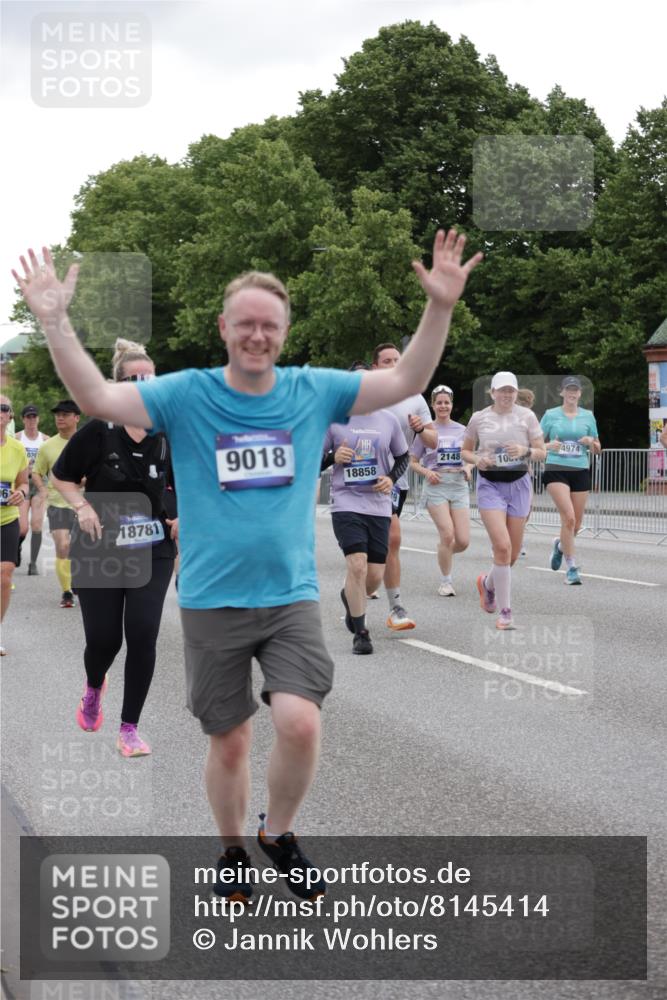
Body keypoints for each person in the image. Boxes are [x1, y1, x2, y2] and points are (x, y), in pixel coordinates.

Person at [13, 229, 482, 901]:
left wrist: (438, 307)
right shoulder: (188, 394)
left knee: (300, 720)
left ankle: (277, 832)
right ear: (224, 327)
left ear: (283, 331)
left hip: (287, 595)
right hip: (211, 599)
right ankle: (232, 849)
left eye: (270, 324)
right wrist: (55, 322)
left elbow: (404, 380)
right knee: (229, 741)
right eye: (246, 323)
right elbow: (98, 399)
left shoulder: (311, 391)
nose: (257, 334)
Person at [50, 340, 178, 757]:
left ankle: (129, 728)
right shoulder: (98, 430)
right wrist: (82, 506)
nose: (143, 385)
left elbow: (192, 482)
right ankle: (93, 687)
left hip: (153, 548)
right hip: (100, 547)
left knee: (143, 634)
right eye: (134, 379)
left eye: (149, 378)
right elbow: (62, 477)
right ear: (118, 384)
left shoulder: (169, 432)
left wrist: (184, 515)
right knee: (104, 641)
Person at [323, 362, 408, 655]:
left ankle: (351, 597)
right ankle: (361, 633)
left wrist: (390, 479)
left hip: (379, 505)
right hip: (346, 502)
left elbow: (403, 457)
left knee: (372, 576)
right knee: (356, 565)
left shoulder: (388, 420)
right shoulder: (334, 420)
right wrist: (334, 456)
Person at [461, 372, 545, 630]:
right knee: (503, 547)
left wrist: (525, 451)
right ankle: (506, 613)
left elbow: (542, 453)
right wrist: (477, 460)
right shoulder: (479, 418)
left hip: (519, 485)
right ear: (493, 392)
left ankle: (487, 584)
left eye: (511, 391)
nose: (506, 395)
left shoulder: (527, 417)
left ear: (516, 393)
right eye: (502, 390)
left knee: (512, 555)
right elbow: (464, 450)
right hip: (490, 486)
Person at [371, 342, 437, 630]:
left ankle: (396, 607)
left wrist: (421, 429)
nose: (394, 364)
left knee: (392, 539)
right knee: (367, 548)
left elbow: (434, 441)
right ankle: (358, 592)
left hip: (395, 477)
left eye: (397, 359)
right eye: (387, 361)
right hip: (363, 479)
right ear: (376, 366)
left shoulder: (414, 397)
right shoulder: (366, 395)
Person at [409, 385, 471, 596]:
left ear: (451, 405)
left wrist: (469, 467)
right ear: (432, 405)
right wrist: (426, 472)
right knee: (447, 534)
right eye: (439, 402)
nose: (443, 406)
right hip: (436, 486)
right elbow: (413, 461)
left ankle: (444, 551)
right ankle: (446, 582)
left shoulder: (463, 430)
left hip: (458, 485)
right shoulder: (426, 433)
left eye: (447, 402)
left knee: (462, 541)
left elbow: (471, 456)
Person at [540, 376, 601, 585]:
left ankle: (559, 546)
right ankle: (572, 568)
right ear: (562, 392)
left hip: (580, 469)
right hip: (556, 468)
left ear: (580, 394)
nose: (572, 393)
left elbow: (598, 446)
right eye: (569, 390)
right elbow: (536, 442)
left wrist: (591, 441)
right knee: (569, 518)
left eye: (575, 390)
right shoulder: (551, 415)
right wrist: (549, 446)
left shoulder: (588, 416)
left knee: (575, 525)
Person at [32, 400, 81, 607]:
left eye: (65, 414)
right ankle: (67, 592)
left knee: (81, 550)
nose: (60, 417)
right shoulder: (47, 446)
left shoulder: (86, 442)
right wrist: (43, 490)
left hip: (84, 504)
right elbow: (36, 472)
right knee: (63, 545)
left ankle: (77, 580)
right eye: (57, 414)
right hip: (58, 503)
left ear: (76, 417)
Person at [0, 395, 29, 655]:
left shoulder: (17, 448)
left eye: (4, 408)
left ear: (10, 417)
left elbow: (23, 483)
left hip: (6, 518)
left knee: (5, 575)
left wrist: (21, 492)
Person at [15, 404, 48, 574]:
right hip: (22, 484)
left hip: (39, 484)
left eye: (34, 416)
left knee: (36, 525)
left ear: (38, 419)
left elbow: (52, 463)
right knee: (22, 527)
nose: (32, 420)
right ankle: (17, 550)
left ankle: (33, 563)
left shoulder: (46, 440)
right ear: (23, 419)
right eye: (28, 417)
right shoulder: (17, 438)